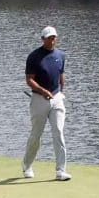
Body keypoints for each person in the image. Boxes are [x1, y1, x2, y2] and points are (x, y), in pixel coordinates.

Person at [22, 26, 71, 181]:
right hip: (38, 99)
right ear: (42, 39)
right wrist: (43, 91)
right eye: (49, 37)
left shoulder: (60, 55)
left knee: (58, 132)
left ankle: (61, 171)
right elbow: (29, 79)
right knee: (36, 135)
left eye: (54, 37)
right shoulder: (34, 57)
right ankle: (27, 166)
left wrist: (61, 93)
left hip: (57, 98)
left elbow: (61, 76)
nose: (52, 40)